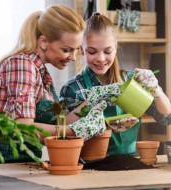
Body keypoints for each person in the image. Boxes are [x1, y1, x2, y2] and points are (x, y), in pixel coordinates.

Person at [59, 12, 171, 155]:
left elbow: (166, 118)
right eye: (92, 52)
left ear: (115, 48)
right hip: (90, 167)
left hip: (129, 165)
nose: (100, 58)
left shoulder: (131, 81)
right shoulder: (73, 88)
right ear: (81, 50)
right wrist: (91, 101)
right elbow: (62, 129)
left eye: (107, 51)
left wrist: (157, 90)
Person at [0, 4, 86, 162]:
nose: (73, 57)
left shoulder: (40, 72)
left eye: (76, 50)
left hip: (25, 163)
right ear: (43, 42)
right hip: (6, 165)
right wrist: (72, 131)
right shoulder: (21, 65)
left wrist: (94, 102)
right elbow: (24, 128)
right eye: (67, 49)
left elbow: (59, 123)